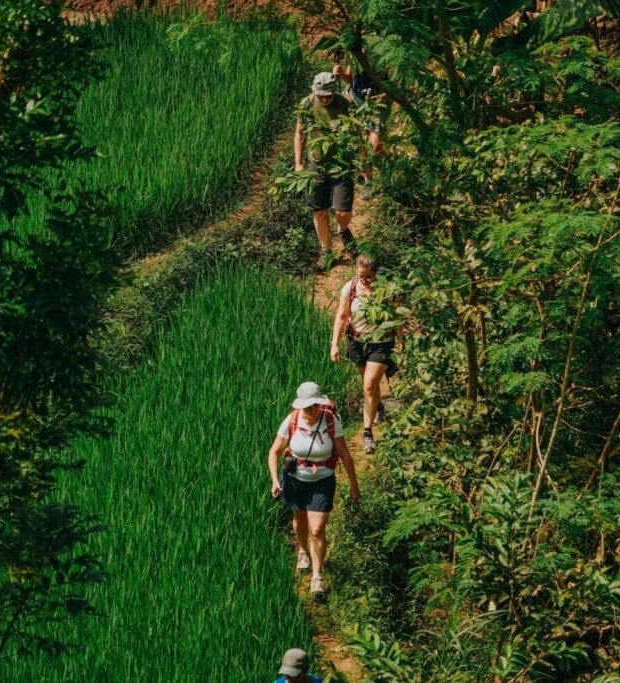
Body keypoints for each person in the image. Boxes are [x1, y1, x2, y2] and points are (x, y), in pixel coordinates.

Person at [268, 382, 359, 598]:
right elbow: (274, 452)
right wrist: (274, 480)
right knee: (299, 520)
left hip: (322, 481)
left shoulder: (330, 420)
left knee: (317, 529)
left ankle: (317, 578)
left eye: (316, 405)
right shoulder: (291, 421)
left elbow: (345, 454)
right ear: (300, 406)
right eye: (308, 407)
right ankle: (303, 551)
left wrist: (354, 484)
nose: (312, 411)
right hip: (295, 480)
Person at [330, 254, 399, 454]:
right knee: (369, 384)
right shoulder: (349, 288)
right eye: (361, 275)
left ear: (376, 274)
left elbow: (397, 316)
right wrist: (334, 344)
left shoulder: (387, 290)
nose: (364, 280)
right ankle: (379, 408)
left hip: (381, 342)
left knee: (369, 385)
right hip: (357, 341)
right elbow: (341, 317)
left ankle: (367, 434)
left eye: (368, 276)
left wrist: (401, 340)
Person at [295, 72, 357, 268]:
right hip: (316, 165)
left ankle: (343, 230)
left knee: (342, 212)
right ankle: (326, 251)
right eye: (321, 96)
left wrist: (364, 162)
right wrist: (298, 163)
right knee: (319, 211)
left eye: (328, 96)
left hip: (341, 164)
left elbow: (357, 134)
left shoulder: (345, 104)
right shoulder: (306, 104)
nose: (324, 99)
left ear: (334, 92)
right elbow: (299, 134)